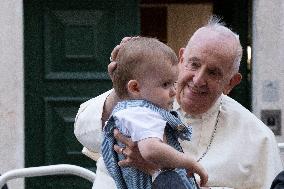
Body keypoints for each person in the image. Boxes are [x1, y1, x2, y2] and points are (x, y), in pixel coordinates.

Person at [74, 17, 283, 189]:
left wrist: (158, 169)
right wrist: (120, 92)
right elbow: (85, 133)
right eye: (194, 64)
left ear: (231, 82)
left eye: (213, 72)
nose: (199, 79)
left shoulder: (257, 138)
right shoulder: (141, 98)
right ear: (181, 59)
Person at [101, 37, 208, 189]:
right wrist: (189, 162)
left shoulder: (129, 112)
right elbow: (151, 150)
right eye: (165, 84)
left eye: (174, 83)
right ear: (135, 88)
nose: (173, 91)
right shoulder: (141, 113)